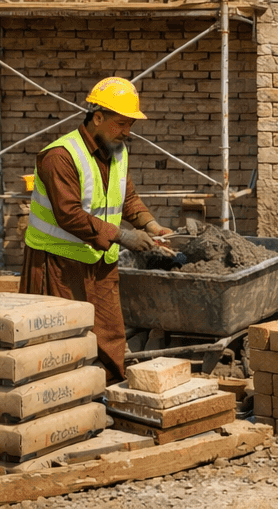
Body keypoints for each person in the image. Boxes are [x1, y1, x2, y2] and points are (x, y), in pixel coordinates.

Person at [21, 76, 173, 381]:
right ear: (97, 117)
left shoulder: (118, 151)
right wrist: (124, 236)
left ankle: (109, 397)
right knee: (58, 339)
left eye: (131, 124)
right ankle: (58, 402)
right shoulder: (60, 156)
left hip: (100, 263)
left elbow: (127, 198)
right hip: (57, 264)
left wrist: (151, 225)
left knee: (110, 336)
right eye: (121, 123)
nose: (127, 132)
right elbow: (69, 214)